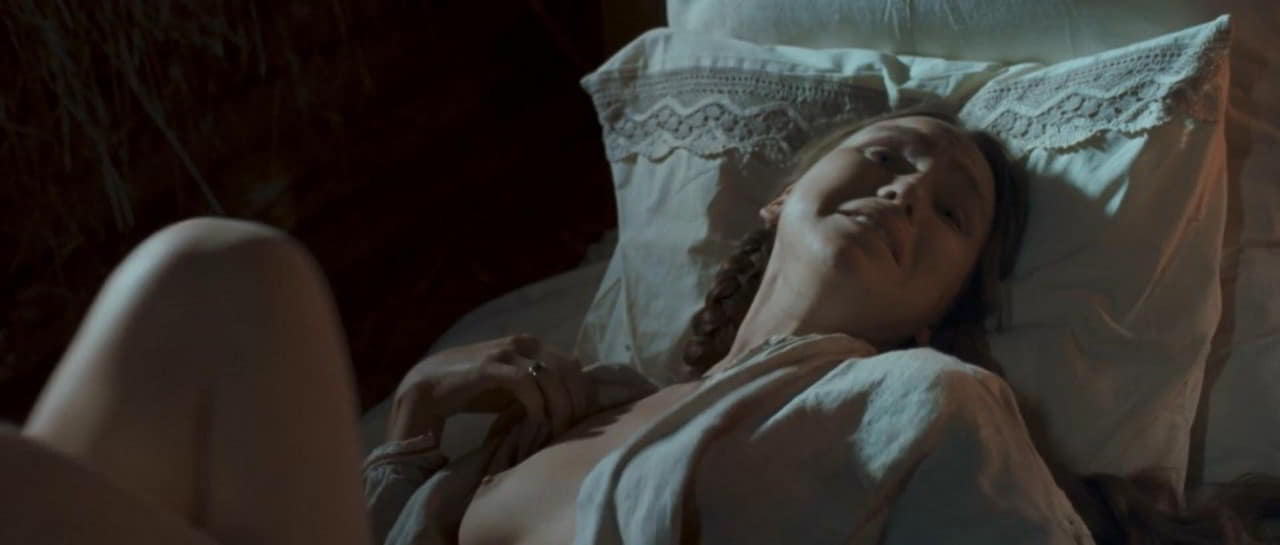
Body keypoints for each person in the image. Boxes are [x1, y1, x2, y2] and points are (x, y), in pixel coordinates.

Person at [0, 108, 1269, 545]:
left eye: (949, 211)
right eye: (886, 158)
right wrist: (409, 448)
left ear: (950, 302)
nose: (904, 194)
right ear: (779, 195)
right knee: (213, 278)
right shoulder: (556, 405)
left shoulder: (921, 405)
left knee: (232, 276)